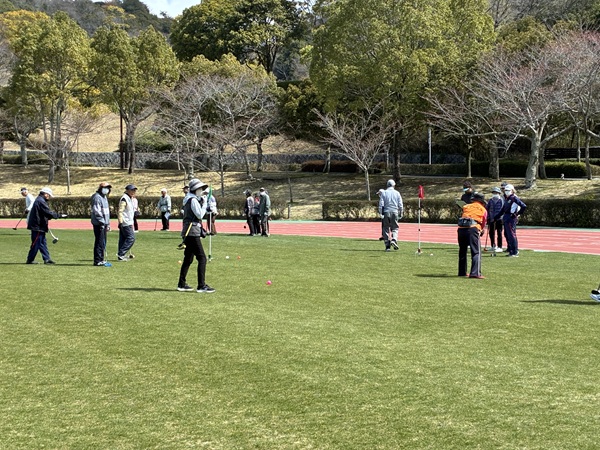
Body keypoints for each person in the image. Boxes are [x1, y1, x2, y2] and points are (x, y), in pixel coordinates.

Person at [178, 178, 215, 293]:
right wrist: (205, 205)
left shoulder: (189, 199)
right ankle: (201, 285)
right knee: (202, 258)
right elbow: (199, 215)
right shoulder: (192, 200)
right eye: (200, 189)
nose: (201, 191)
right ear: (195, 189)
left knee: (188, 258)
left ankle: (181, 284)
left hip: (188, 231)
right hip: (192, 231)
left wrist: (203, 202)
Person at [26, 187, 67, 264]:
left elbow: (45, 214)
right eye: (49, 195)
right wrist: (59, 215)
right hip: (38, 226)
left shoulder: (40, 200)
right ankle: (30, 259)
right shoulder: (40, 201)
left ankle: (46, 259)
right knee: (36, 243)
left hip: (39, 226)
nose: (49, 197)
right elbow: (47, 212)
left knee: (42, 243)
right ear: (45, 194)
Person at [457, 192, 487, 278]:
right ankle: (475, 273)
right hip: (473, 229)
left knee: (462, 251)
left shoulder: (466, 206)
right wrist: (481, 230)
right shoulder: (483, 209)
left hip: (461, 229)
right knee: (476, 252)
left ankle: (462, 272)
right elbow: (484, 221)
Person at [497, 183, 527, 257]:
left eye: (508, 190)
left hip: (511, 218)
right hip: (506, 217)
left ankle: (514, 251)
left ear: (512, 190)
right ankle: (511, 250)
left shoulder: (514, 198)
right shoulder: (507, 199)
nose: (506, 192)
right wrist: (495, 217)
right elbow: (503, 210)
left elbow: (523, 206)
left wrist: (517, 214)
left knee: (511, 235)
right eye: (505, 190)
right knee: (508, 235)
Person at [378, 179, 403, 251]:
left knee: (385, 228)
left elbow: (381, 204)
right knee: (395, 227)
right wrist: (401, 212)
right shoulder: (397, 193)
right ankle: (394, 239)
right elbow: (400, 204)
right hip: (394, 211)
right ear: (394, 185)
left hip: (386, 212)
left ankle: (387, 245)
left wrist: (381, 213)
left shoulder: (384, 193)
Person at [91, 182, 112, 266]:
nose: (107, 189)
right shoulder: (97, 197)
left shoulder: (104, 197)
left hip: (104, 223)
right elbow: (97, 211)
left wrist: (108, 224)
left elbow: (106, 212)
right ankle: (97, 260)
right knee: (99, 241)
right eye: (105, 188)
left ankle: (101, 259)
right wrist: (102, 222)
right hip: (99, 223)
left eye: (108, 188)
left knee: (103, 242)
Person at [117, 184, 137, 261]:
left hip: (128, 221)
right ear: (127, 190)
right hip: (125, 222)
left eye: (134, 190)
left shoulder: (129, 198)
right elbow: (120, 211)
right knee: (131, 238)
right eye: (132, 190)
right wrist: (120, 222)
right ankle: (121, 253)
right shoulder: (124, 199)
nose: (134, 191)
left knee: (123, 239)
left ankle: (121, 255)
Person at [486, 187, 504, 252]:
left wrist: (500, 217)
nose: (495, 194)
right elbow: (487, 209)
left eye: (496, 193)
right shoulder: (490, 200)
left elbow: (503, 210)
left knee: (499, 233)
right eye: (493, 193)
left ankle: (500, 247)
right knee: (491, 233)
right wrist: (488, 217)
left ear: (499, 193)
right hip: (491, 219)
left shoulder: (501, 200)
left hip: (499, 219)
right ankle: (493, 245)